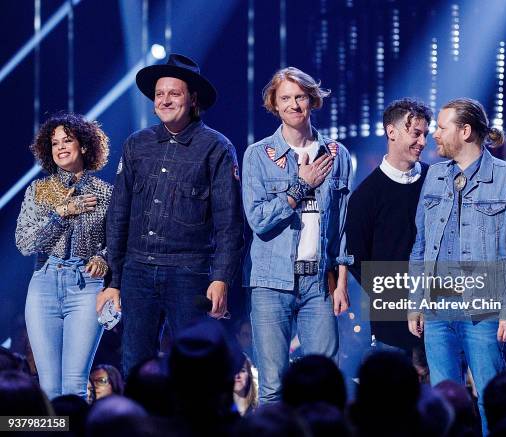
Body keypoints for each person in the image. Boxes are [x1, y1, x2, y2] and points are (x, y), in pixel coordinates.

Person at [101, 54, 244, 376]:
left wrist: (220, 277)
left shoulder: (216, 147)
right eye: (159, 94)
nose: (165, 100)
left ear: (192, 99)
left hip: (189, 273)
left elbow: (229, 222)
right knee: (135, 364)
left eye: (174, 93)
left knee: (194, 365)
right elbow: (118, 212)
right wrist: (114, 280)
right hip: (137, 272)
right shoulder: (136, 144)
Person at [408, 98, 506, 433]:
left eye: (441, 127)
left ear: (465, 131)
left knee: (490, 399)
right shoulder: (434, 176)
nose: (434, 134)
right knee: (443, 401)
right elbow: (420, 244)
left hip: (485, 311)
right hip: (437, 308)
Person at [242, 67, 352, 403]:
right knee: (273, 387)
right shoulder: (258, 155)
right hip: (271, 282)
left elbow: (342, 226)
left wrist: (342, 281)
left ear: (312, 100)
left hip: (318, 283)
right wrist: (300, 185)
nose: (293, 105)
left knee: (326, 385)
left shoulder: (337, 155)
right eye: (285, 98)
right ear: (274, 104)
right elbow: (258, 220)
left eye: (300, 97)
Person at [16, 113, 112, 400]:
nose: (60, 147)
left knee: (74, 387)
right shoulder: (38, 190)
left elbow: (118, 241)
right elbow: (24, 242)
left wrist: (104, 257)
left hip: (86, 287)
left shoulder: (106, 194)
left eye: (67, 140)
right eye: (54, 142)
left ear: (83, 146)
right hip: (44, 283)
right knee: (48, 389)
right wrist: (60, 213)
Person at [346, 97, 432, 354]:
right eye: (416, 133)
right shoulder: (365, 195)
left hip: (440, 316)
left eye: (426, 134)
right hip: (391, 324)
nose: (423, 142)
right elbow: (356, 259)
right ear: (391, 132)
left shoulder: (436, 181)